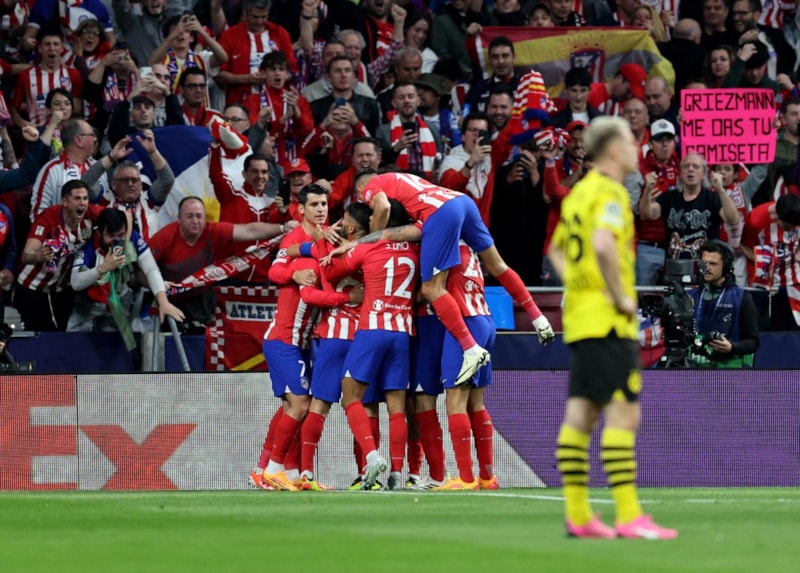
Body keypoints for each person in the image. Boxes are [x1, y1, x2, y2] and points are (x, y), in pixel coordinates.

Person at [547, 115, 677, 539]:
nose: (637, 148)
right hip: (607, 320)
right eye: (630, 141)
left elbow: (557, 252)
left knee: (582, 413)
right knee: (624, 412)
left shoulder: (579, 194)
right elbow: (603, 243)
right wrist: (619, 296)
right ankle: (628, 514)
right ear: (614, 149)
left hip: (581, 318)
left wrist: (581, 286)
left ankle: (579, 515)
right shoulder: (610, 192)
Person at [354, 170, 554, 386]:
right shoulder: (405, 184)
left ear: (360, 190)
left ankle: (470, 348)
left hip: (441, 213)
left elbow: (383, 207)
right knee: (497, 265)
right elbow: (402, 229)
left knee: (431, 288)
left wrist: (370, 241)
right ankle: (538, 318)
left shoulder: (371, 186)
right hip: (461, 202)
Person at [325, 199, 420, 490]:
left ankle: (372, 455)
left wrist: (342, 247)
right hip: (402, 332)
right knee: (397, 406)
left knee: (350, 395)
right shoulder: (415, 250)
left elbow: (330, 273)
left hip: (373, 329)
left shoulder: (368, 248)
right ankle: (397, 473)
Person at [260, 184, 331, 491]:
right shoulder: (293, 238)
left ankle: (283, 471)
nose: (320, 209)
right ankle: (272, 469)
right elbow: (274, 272)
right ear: (301, 209)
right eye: (314, 204)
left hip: (303, 343)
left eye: (324, 204)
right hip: (284, 338)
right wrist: (295, 274)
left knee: (294, 406)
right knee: (300, 404)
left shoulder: (329, 237)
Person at [148, 196, 289, 327]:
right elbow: (142, 269)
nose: (195, 221)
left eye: (199, 216)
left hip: (201, 298)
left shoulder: (213, 231)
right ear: (179, 218)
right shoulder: (164, 237)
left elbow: (250, 230)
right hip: (168, 297)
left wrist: (282, 228)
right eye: (189, 216)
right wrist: (159, 285)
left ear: (205, 218)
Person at [68, 208, 184, 345]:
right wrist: (104, 267)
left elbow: (151, 269)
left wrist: (163, 301)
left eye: (121, 235)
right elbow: (75, 282)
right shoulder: (88, 244)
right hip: (87, 303)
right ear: (99, 233)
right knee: (74, 343)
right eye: (111, 235)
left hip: (118, 302)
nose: (116, 241)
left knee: (115, 347)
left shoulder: (133, 237)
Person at [15, 180, 104, 331]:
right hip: (32, 288)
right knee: (36, 336)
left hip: (60, 290)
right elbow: (26, 255)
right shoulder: (49, 218)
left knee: (59, 335)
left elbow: (123, 216)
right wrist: (38, 256)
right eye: (77, 198)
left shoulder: (90, 214)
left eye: (85, 198)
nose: (82, 203)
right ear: (65, 202)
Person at [640, 152, 741, 262]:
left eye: (696, 166)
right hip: (675, 266)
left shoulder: (712, 198)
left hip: (705, 266)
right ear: (680, 173)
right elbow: (647, 214)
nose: (690, 169)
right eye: (686, 166)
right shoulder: (669, 197)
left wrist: (720, 190)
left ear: (704, 173)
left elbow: (733, 219)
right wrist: (647, 190)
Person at [688, 240, 760, 367]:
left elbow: (753, 342)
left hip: (727, 369)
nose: (707, 268)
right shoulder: (690, 296)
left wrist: (732, 347)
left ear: (726, 266)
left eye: (713, 264)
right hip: (693, 369)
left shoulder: (742, 298)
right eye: (704, 263)